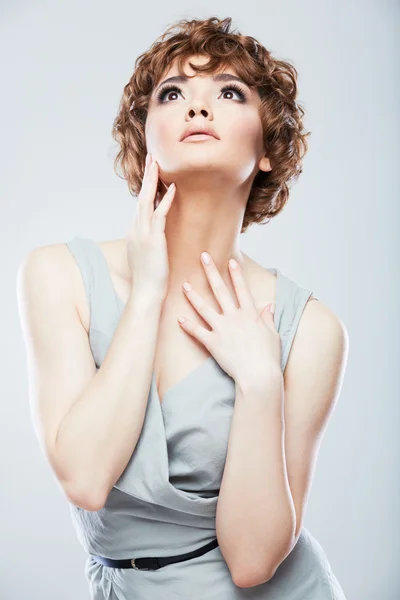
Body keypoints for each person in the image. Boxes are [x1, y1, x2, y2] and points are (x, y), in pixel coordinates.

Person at [17, 16, 348, 599]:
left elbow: (252, 561)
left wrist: (259, 380)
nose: (198, 107)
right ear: (146, 135)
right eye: (172, 94)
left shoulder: (312, 330)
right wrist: (148, 293)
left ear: (268, 148)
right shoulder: (58, 275)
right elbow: (87, 479)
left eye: (228, 92)